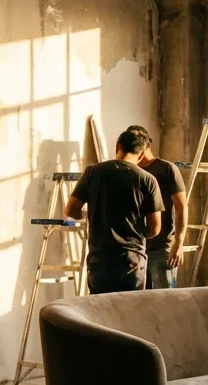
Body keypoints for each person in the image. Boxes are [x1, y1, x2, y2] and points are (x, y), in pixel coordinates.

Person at [65, 129, 162, 294]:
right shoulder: (147, 180)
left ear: (118, 146)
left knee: (100, 308)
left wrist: (90, 216)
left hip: (100, 260)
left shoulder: (93, 172)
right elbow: (155, 228)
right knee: (129, 308)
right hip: (131, 260)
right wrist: (135, 234)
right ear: (141, 155)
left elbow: (71, 210)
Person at [127, 125, 187, 289]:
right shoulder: (131, 171)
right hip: (136, 249)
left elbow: (182, 207)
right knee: (138, 300)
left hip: (162, 248)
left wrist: (178, 243)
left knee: (165, 299)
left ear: (149, 144)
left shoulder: (167, 169)